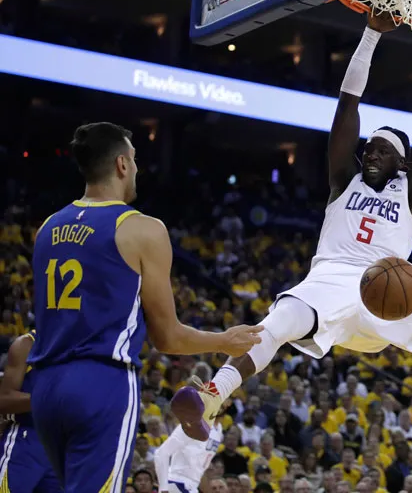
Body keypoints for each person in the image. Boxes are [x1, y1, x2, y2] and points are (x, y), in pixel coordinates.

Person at [172, 8, 412, 475]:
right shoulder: (342, 181)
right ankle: (212, 397)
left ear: (404, 165)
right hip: (329, 282)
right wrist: (371, 35)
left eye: (384, 151)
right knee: (281, 318)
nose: (371, 153)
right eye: (369, 149)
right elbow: (346, 107)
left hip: (386, 294)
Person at [27, 122, 263, 492]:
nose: (137, 169)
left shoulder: (46, 228)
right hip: (101, 381)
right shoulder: (143, 229)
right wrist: (224, 340)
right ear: (122, 164)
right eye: (135, 160)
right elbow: (167, 337)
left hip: (44, 386)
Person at [0, 330, 59, 492]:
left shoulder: (84, 348)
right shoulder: (27, 343)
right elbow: (4, 400)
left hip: (63, 445)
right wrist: (50, 399)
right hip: (26, 439)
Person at [155, 400, 227, 493]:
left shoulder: (218, 430)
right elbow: (161, 453)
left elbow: (200, 468)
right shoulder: (192, 423)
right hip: (177, 483)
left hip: (192, 485)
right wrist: (163, 488)